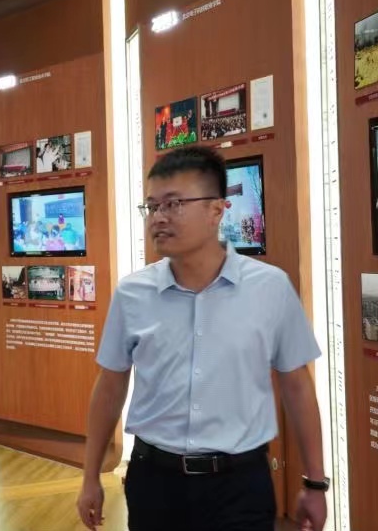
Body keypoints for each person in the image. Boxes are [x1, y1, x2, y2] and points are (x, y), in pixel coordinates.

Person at [77, 146, 328, 531]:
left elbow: (296, 386)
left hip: (241, 485)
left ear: (216, 210)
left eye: (173, 204)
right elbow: (110, 385)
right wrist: (90, 476)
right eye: (152, 206)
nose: (158, 217)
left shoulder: (270, 287)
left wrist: (315, 482)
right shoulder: (132, 293)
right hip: (154, 482)